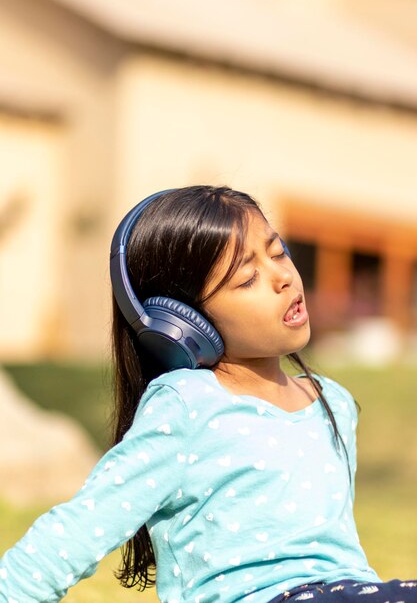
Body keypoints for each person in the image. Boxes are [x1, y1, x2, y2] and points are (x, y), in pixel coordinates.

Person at [0, 185, 415, 603]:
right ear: (184, 322)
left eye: (279, 251)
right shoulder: (188, 406)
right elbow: (80, 528)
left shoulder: (334, 403)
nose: (284, 276)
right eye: (248, 278)